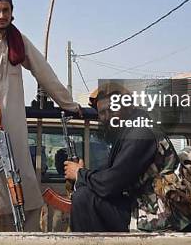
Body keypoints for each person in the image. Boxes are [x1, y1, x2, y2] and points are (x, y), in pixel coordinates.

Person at [0, 0, 81, 232]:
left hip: (12, 128)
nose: (1, 15)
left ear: (12, 12)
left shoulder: (18, 41)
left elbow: (44, 72)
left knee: (26, 191)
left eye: (6, 10)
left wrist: (68, 104)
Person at [64, 84, 175, 232]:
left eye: (112, 109)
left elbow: (111, 184)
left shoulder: (141, 133)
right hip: (142, 205)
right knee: (86, 193)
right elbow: (112, 175)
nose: (107, 117)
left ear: (128, 108)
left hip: (160, 214)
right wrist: (83, 175)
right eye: (102, 112)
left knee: (84, 198)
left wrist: (79, 174)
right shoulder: (127, 134)